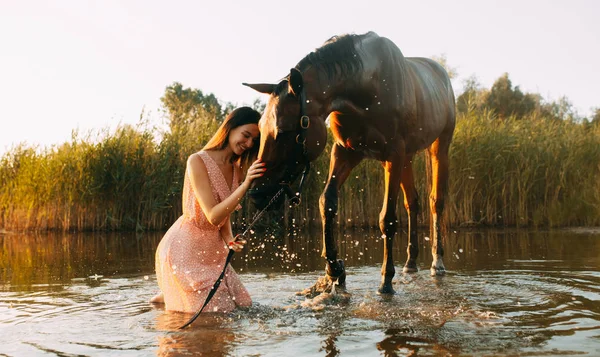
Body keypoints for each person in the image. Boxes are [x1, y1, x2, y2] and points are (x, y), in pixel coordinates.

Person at [150, 106, 265, 313]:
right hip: (185, 249)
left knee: (244, 305)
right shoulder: (197, 161)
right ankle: (172, 293)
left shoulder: (237, 168)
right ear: (230, 128)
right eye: (246, 136)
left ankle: (171, 295)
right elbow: (213, 215)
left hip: (213, 252)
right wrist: (245, 185)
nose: (248, 144)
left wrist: (229, 239)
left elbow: (225, 213)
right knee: (219, 313)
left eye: (253, 141)